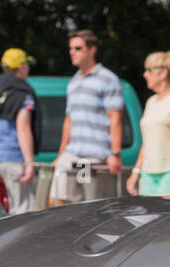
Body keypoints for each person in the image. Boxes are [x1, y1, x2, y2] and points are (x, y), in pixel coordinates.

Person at [50, 29, 124, 206]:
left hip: (89, 159)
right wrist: (60, 155)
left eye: (77, 48)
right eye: (70, 48)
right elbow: (69, 120)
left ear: (92, 50)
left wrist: (115, 153)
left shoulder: (107, 79)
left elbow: (115, 118)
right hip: (71, 154)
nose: (72, 52)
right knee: (55, 201)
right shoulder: (73, 82)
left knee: (87, 207)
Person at [128, 52, 170, 196]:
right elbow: (147, 142)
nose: (145, 75)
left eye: (149, 70)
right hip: (147, 173)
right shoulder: (150, 102)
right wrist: (135, 172)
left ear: (163, 73)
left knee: (166, 217)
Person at [0, 48, 41, 214]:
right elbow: (23, 128)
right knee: (21, 213)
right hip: (14, 160)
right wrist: (29, 163)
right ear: (21, 67)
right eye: (27, 66)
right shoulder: (23, 94)